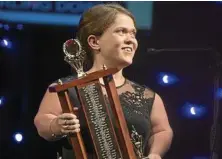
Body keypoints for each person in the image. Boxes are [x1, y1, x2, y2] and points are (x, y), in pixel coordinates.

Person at [34, 3, 173, 159]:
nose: (131, 40)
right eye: (121, 32)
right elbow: (43, 121)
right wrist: (57, 125)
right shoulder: (65, 89)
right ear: (94, 42)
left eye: (133, 34)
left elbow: (161, 131)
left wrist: (155, 153)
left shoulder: (148, 97)